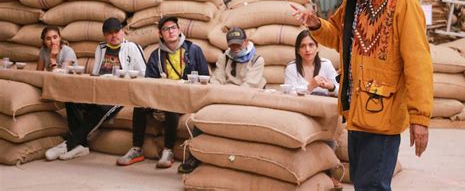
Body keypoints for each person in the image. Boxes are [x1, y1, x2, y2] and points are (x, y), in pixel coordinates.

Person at [291, 0, 433, 190]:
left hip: (383, 117)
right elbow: (338, 37)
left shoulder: (403, 0)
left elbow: (418, 62)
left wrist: (420, 118)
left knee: (372, 186)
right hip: (354, 110)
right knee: (362, 183)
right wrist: (314, 24)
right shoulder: (353, 0)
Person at [45, 18, 147, 161]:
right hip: (100, 90)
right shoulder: (101, 48)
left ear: (123, 31)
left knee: (102, 109)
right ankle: (82, 146)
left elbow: (144, 74)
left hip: (120, 93)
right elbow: (96, 73)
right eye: (109, 33)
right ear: (104, 35)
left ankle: (69, 144)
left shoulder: (132, 47)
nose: (114, 36)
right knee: (72, 100)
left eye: (116, 31)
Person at [117, 15, 209, 169]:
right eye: (166, 29)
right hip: (160, 99)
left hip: (186, 98)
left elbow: (205, 78)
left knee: (170, 106)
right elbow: (149, 84)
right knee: (139, 106)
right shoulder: (156, 55)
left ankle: (168, 150)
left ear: (179, 30)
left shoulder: (194, 50)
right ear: (160, 34)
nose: (171, 31)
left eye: (173, 28)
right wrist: (154, 104)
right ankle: (137, 148)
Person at [176, 27, 267, 174]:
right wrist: (216, 96)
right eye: (232, 45)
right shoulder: (224, 57)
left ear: (246, 42)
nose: (235, 48)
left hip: (245, 100)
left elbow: (248, 86)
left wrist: (226, 96)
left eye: (239, 44)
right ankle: (195, 155)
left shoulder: (257, 60)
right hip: (223, 97)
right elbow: (217, 80)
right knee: (201, 117)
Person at [285, 29, 338, 96]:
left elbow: (340, 91)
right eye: (303, 46)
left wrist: (331, 87)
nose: (307, 49)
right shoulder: (291, 68)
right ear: (298, 51)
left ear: (317, 48)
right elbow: (290, 97)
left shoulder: (326, 64)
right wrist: (310, 87)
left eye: (311, 45)